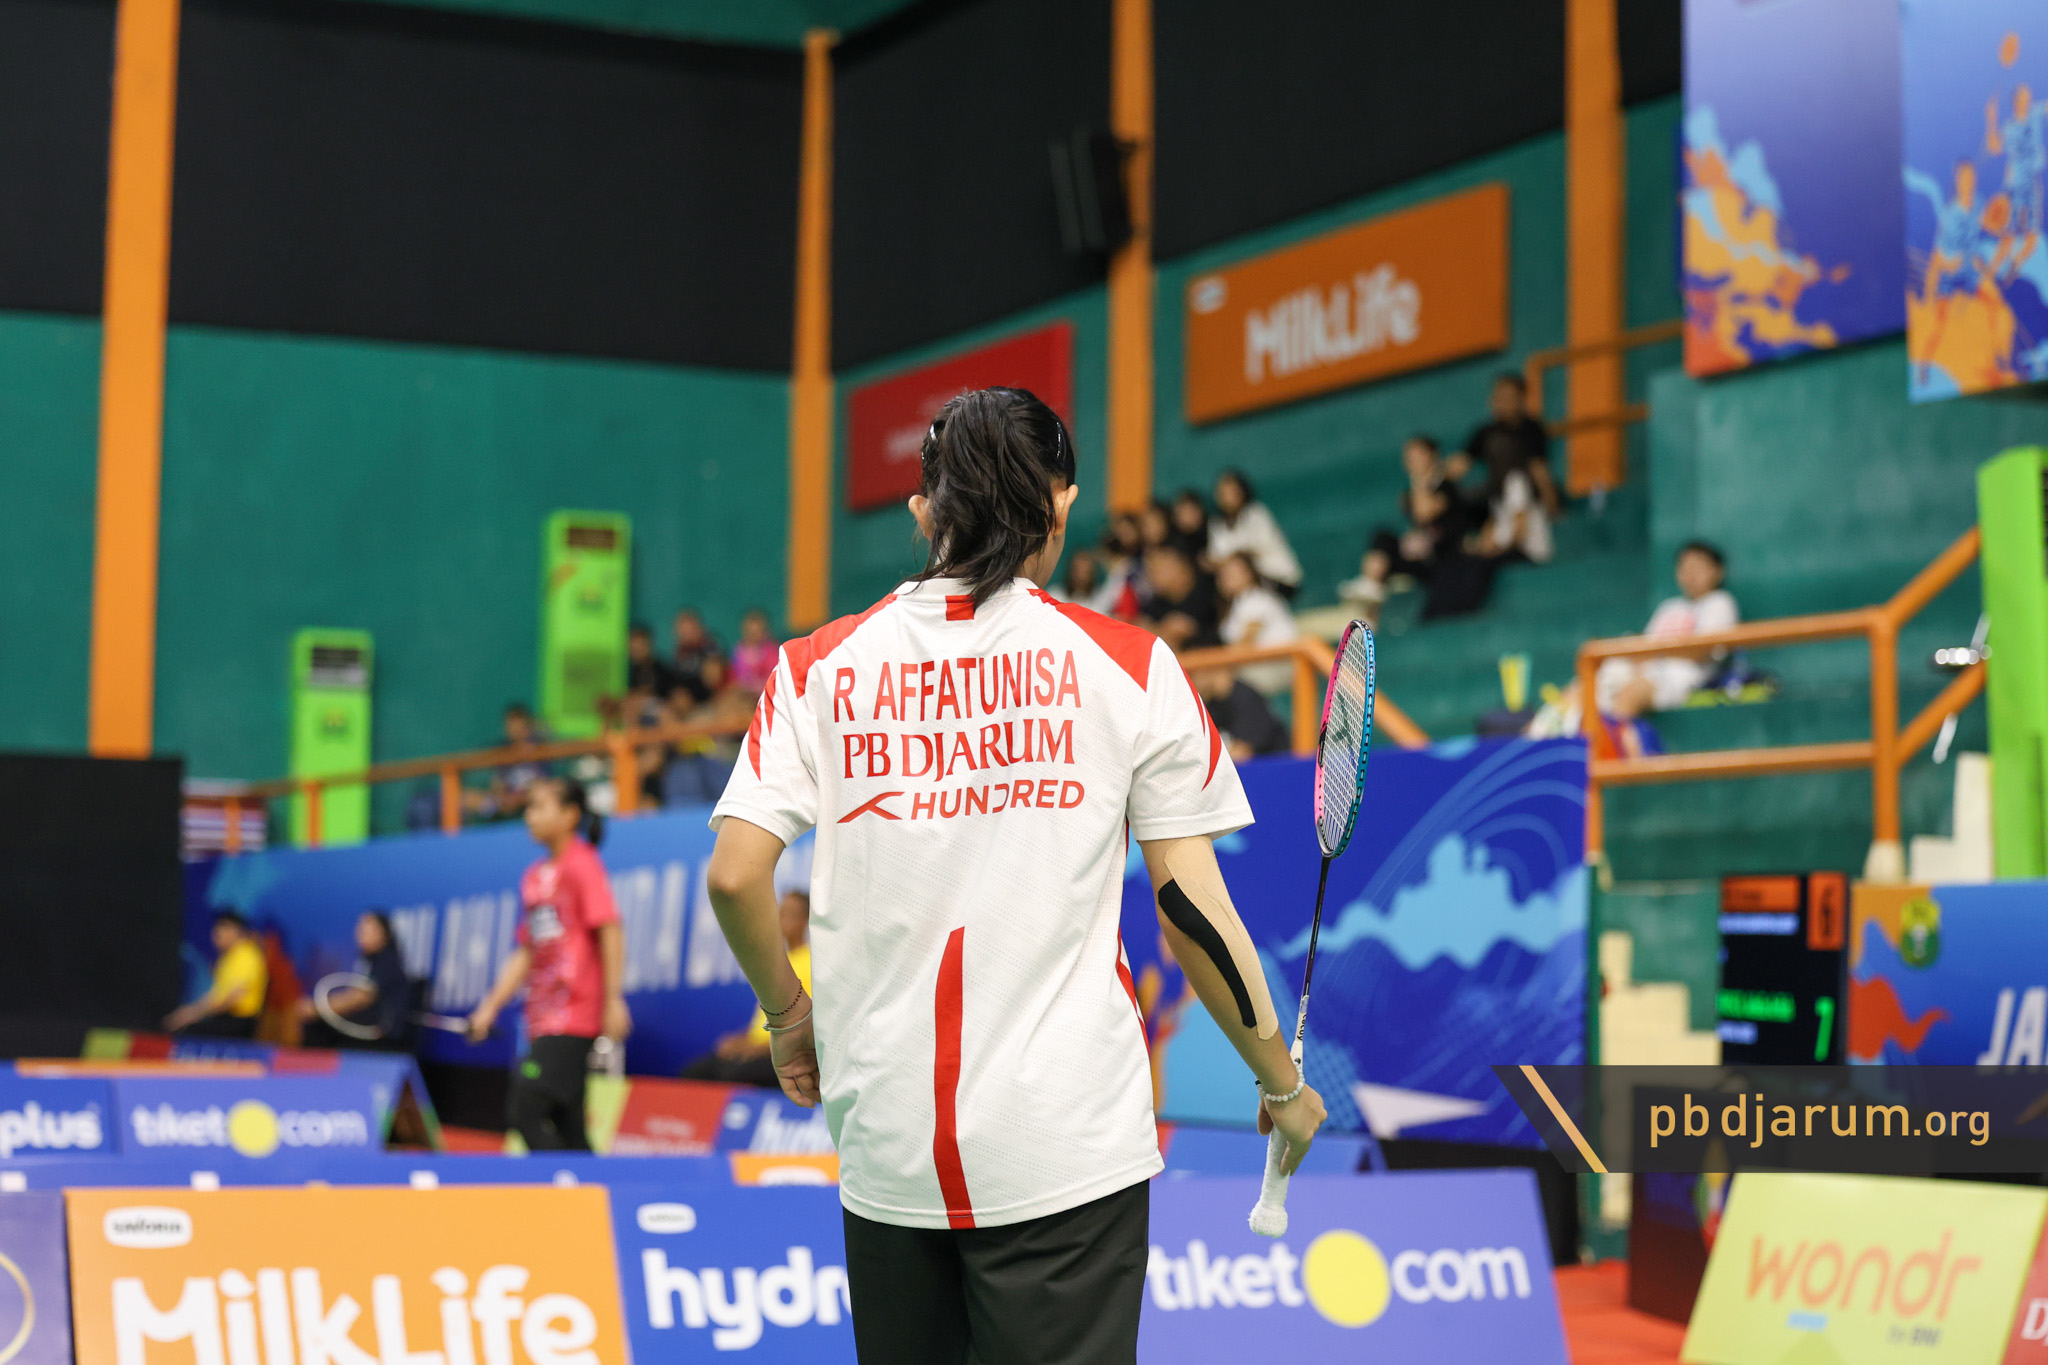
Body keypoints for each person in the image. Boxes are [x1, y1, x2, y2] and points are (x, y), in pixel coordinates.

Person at [704, 385, 1324, 1364]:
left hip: (888, 1152)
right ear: (1061, 502)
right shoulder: (1131, 666)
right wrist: (1279, 1081)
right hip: (1066, 1155)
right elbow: (1188, 907)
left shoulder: (813, 667)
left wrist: (788, 1018)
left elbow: (736, 876)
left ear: (923, 511)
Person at [466, 777, 630, 1151]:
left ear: (570, 815)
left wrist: (613, 999)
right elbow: (526, 951)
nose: (530, 816)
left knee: (526, 1108)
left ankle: (565, 1184)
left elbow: (610, 929)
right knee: (569, 1126)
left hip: (575, 1015)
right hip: (540, 1016)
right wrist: (490, 1007)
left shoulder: (582, 864)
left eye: (540, 807)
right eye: (528, 807)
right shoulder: (533, 878)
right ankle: (590, 1183)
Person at [1343, 435, 1495, 621]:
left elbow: (1424, 512)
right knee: (1383, 538)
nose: (1411, 461)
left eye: (1416, 455)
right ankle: (1370, 587)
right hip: (1423, 556)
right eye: (1408, 457)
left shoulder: (1447, 486)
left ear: (1432, 456)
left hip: (1447, 560)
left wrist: (1422, 478)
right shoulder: (1410, 493)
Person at [681, 886, 812, 1086]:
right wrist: (741, 1041)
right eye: (780, 912)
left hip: (781, 1052)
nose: (780, 919)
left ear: (805, 920)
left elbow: (804, 1023)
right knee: (695, 1071)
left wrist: (762, 1048)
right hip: (759, 1048)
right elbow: (763, 1025)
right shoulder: (779, 962)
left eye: (788, 914)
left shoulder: (811, 962)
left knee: (733, 1075)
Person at [1597, 541, 1739, 722]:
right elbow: (1646, 645)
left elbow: (1700, 651)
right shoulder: (1669, 606)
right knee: (1585, 688)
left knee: (1631, 693)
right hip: (1645, 669)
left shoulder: (1720, 603)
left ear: (1717, 571)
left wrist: (1654, 653)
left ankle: (1613, 740)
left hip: (1683, 677)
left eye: (1697, 567)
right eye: (1685, 567)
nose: (1690, 574)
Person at [296, 910, 414, 1049]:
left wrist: (317, 1009)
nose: (360, 933)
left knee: (318, 1029)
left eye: (367, 929)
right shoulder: (368, 962)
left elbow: (359, 999)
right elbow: (353, 995)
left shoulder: (387, 962)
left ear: (384, 934)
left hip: (381, 1035)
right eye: (360, 928)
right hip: (368, 1027)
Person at [1458, 372, 1559, 517]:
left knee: (1516, 483)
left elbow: (1539, 469)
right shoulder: (1486, 432)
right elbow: (1461, 463)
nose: (1501, 403)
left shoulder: (1531, 429)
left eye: (1508, 398)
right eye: (1498, 398)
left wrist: (1551, 501)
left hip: (1530, 502)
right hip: (1498, 500)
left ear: (1520, 399)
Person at [166, 910, 268, 1039]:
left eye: (220, 930)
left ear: (235, 931)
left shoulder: (246, 955)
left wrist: (192, 1014)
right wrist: (189, 1012)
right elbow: (216, 995)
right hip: (224, 1017)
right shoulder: (227, 958)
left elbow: (233, 996)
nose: (214, 935)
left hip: (240, 1022)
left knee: (190, 1032)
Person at [1208, 469, 1302, 597]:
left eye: (1233, 492)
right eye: (1224, 493)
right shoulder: (1216, 524)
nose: (1228, 498)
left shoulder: (1256, 513)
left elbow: (1248, 551)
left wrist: (1225, 560)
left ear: (1242, 492)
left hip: (1278, 580)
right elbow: (1215, 557)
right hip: (1241, 588)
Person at [1216, 551, 1296, 695]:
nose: (1227, 577)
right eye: (1224, 573)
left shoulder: (1258, 598)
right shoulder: (1236, 605)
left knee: (1222, 683)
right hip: (1253, 668)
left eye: (1233, 572)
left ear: (1249, 573)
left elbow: (1245, 643)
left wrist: (1219, 668)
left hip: (1277, 666)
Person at [465, 703, 550, 820]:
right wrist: (503, 797)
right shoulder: (503, 751)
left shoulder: (540, 749)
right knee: (468, 798)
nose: (517, 733)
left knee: (540, 793)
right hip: (504, 803)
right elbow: (497, 784)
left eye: (521, 728)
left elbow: (543, 783)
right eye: (512, 728)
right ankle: (492, 817)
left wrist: (520, 797)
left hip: (529, 801)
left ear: (528, 727)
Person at [1138, 542, 1222, 651]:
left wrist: (1160, 630)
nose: (1151, 576)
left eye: (1158, 570)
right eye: (1150, 571)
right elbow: (1141, 630)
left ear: (1181, 566)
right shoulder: (1156, 603)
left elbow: (1185, 629)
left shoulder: (1209, 591)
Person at [1194, 667, 1291, 761]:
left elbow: (1241, 753)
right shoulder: (1205, 704)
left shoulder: (1244, 697)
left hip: (1272, 765)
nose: (1196, 679)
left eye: (1201, 673)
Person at [671, 608, 721, 704]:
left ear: (699, 627)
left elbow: (715, 675)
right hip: (687, 697)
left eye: (690, 629)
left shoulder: (710, 643)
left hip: (710, 695)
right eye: (683, 631)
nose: (687, 634)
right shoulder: (680, 650)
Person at [731, 608, 779, 696]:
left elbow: (773, 678)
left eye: (757, 632)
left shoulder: (772, 651)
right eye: (750, 632)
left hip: (765, 692)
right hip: (743, 693)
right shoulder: (739, 650)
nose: (754, 636)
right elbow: (735, 677)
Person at [1167, 488, 1210, 564]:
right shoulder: (1168, 541)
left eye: (1192, 511)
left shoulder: (1212, 534)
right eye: (1185, 511)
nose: (1189, 516)